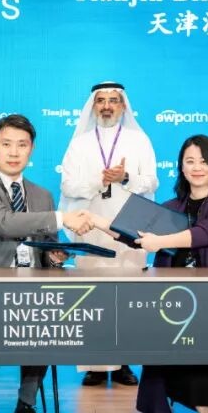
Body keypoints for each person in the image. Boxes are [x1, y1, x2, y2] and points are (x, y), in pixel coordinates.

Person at [89, 135, 208, 413]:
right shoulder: (172, 207)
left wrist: (161, 242)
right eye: (190, 161)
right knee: (186, 349)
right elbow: (132, 236)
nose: (197, 167)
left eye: (204, 161)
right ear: (181, 168)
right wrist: (95, 221)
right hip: (178, 301)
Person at [0, 114, 93, 413]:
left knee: (47, 319)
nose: (14, 152)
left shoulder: (42, 195)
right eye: (6, 144)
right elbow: (4, 222)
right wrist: (63, 217)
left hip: (31, 286)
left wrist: (55, 256)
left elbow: (47, 245)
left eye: (22, 145)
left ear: (31, 149)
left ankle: (26, 407)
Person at [59, 82, 158, 387]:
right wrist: (98, 181)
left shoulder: (139, 140)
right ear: (93, 106)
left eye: (113, 100)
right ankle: (96, 366)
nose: (106, 106)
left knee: (128, 300)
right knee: (92, 300)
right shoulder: (80, 143)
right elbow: (67, 186)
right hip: (90, 229)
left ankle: (125, 362)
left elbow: (152, 181)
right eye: (101, 100)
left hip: (129, 228)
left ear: (123, 105)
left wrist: (125, 177)